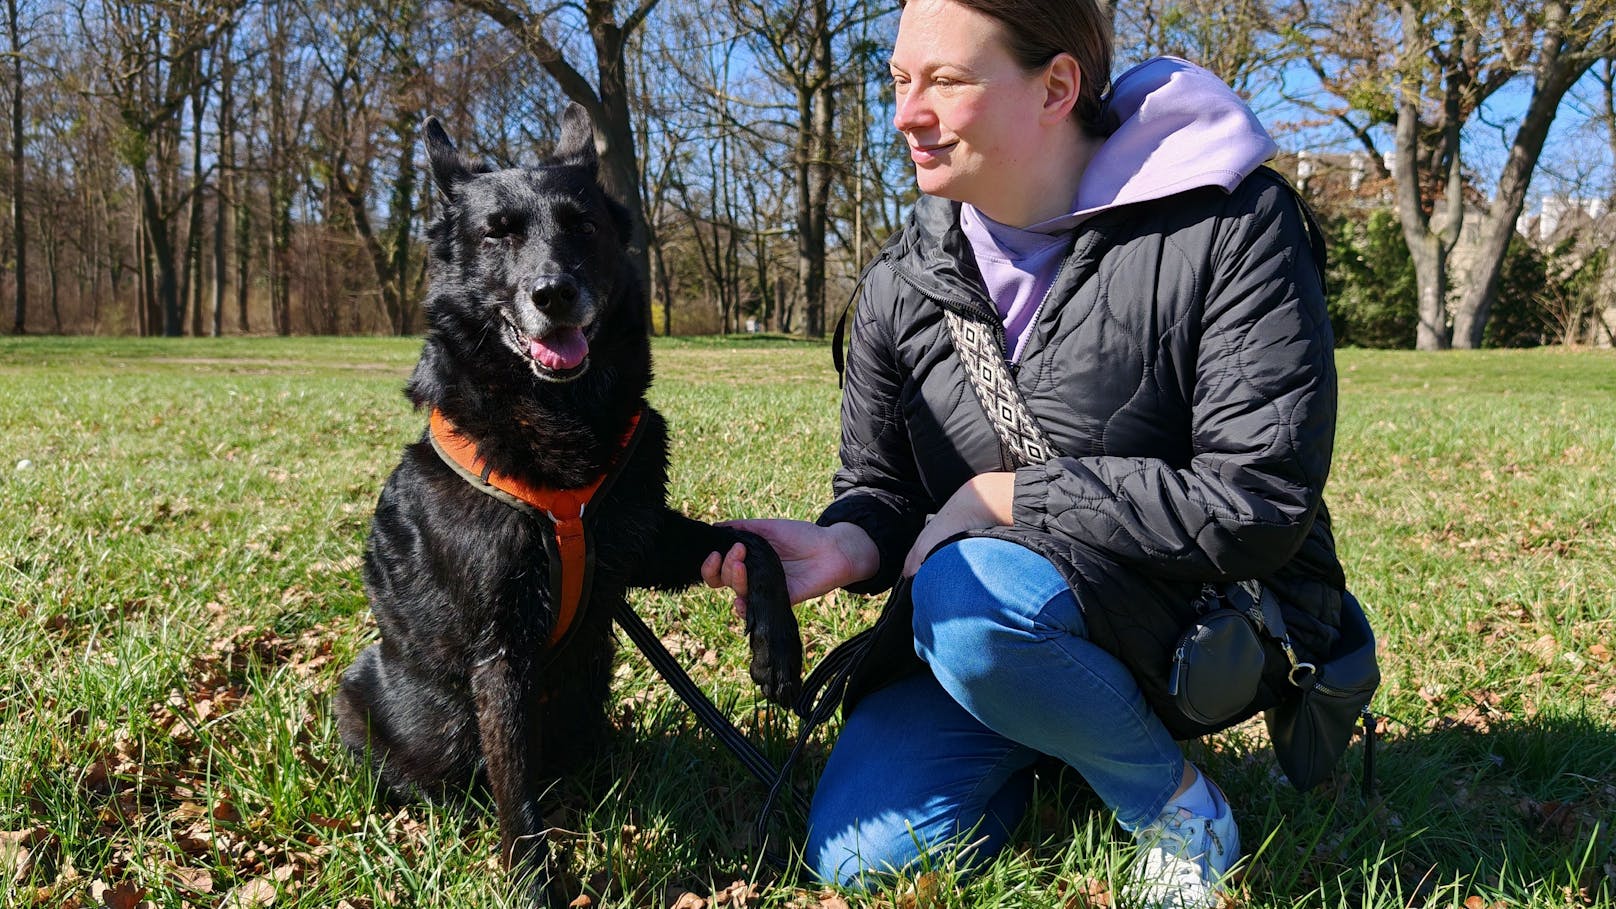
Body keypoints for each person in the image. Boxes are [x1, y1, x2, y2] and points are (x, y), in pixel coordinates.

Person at [702, 0, 1349, 904]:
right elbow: (881, 487)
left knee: (968, 599)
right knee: (864, 858)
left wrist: (1006, 497)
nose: (905, 114)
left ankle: (1171, 799)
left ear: (1055, 86)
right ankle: (1058, 723)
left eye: (946, 81)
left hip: (1182, 615)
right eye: (898, 80)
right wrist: (851, 542)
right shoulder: (901, 284)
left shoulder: (1230, 224)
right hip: (994, 622)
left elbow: (1257, 498)